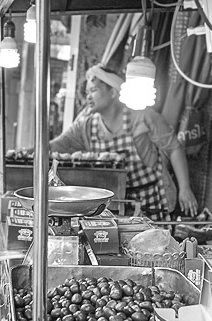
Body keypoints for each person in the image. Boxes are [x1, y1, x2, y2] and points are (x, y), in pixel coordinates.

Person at [49, 64, 198, 220]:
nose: (88, 97)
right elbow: (58, 144)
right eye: (87, 92)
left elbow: (174, 148)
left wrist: (185, 188)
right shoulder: (85, 126)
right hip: (114, 206)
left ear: (113, 92)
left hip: (151, 201)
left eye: (94, 91)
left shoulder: (142, 117)